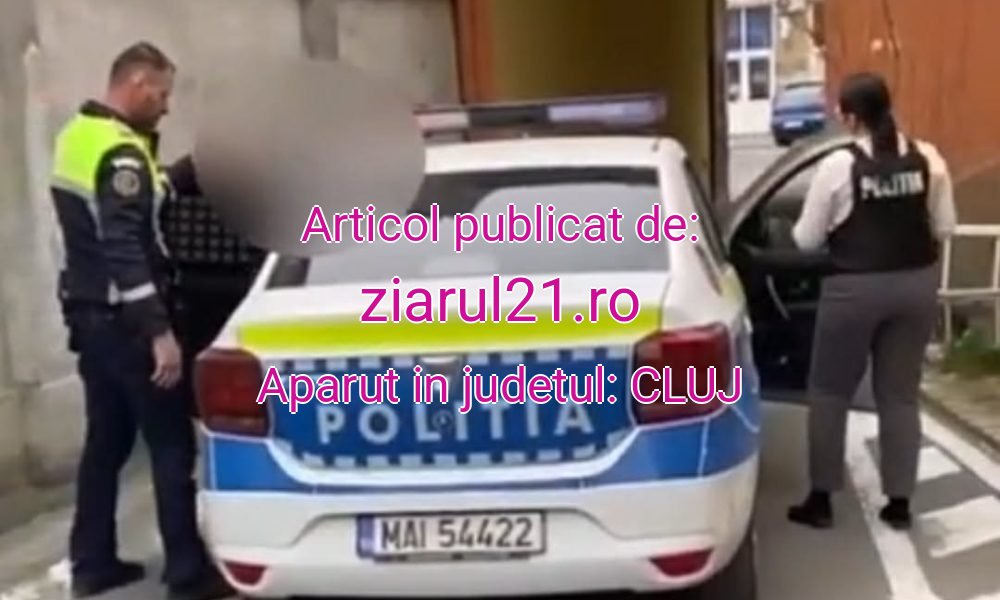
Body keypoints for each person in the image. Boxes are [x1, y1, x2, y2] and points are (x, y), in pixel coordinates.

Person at [49, 41, 234, 600]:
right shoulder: (122, 154)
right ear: (136, 82)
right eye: (162, 93)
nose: (167, 105)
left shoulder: (80, 136)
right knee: (171, 444)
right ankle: (187, 571)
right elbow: (125, 245)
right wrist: (159, 332)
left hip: (91, 317)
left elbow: (134, 204)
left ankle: (92, 562)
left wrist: (185, 173)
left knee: (105, 444)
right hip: (129, 324)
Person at [785, 71, 956, 531]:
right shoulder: (928, 159)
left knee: (829, 391)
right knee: (899, 395)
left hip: (853, 289)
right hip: (916, 286)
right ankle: (899, 503)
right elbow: (944, 227)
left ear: (849, 117)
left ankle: (821, 500)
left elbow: (805, 240)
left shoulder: (838, 167)